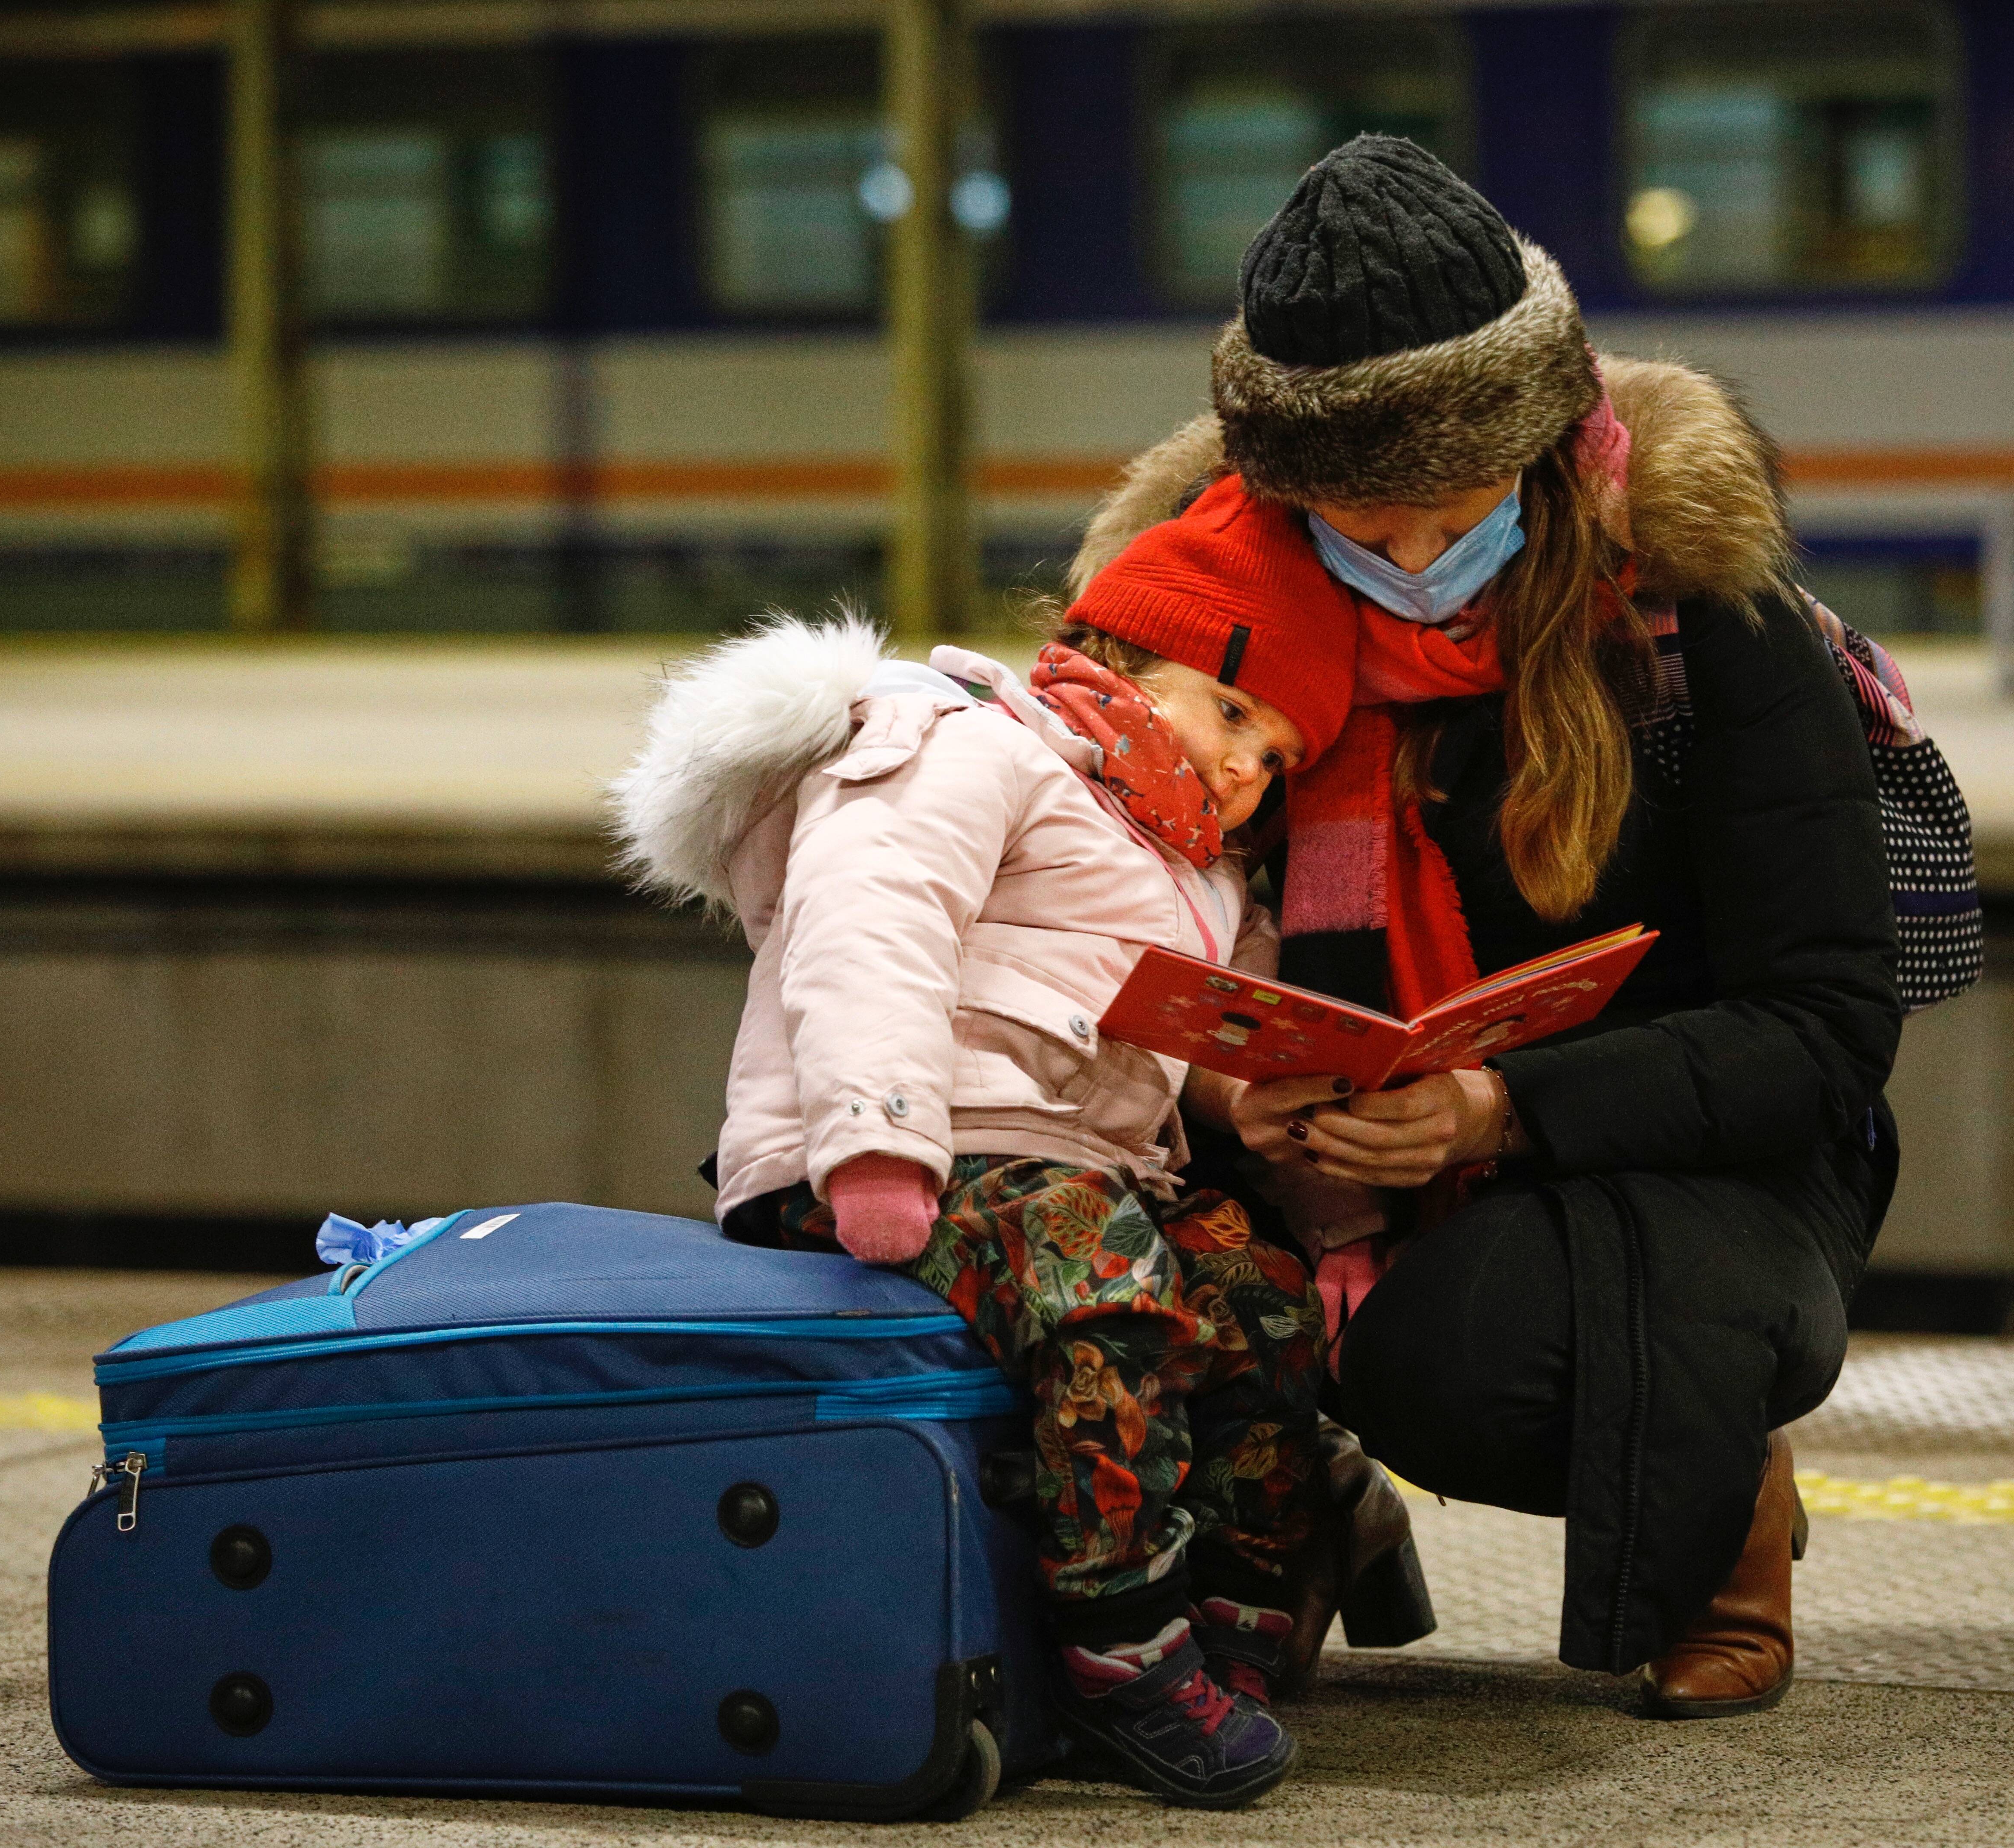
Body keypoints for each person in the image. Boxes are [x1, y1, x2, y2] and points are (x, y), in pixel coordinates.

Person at [1072, 136, 1905, 1718]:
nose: (1398, 565)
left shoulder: (1706, 619)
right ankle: (1280, 1515)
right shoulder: (1191, 636)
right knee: (1122, 1273)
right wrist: (1235, 1090)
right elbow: (1088, 928)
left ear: (1533, 456)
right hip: (1327, 1156)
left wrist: (1501, 1105)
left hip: (1697, 1147)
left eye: (1441, 514)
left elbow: (1827, 1022)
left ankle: (1730, 1498)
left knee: (1479, 1365)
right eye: (1345, 525)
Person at [612, 494, 1359, 1808]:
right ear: (1119, 657)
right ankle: (1123, 1644)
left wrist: (1273, 1106)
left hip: (1075, 1165)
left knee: (1257, 1290)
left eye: (1282, 757)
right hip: (889, 1155)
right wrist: (876, 1145)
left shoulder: (1200, 866)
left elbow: (1202, 1046)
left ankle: (1238, 1611)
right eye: (1235, 714)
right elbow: (869, 922)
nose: (1249, 771)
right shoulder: (970, 745)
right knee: (1104, 1277)